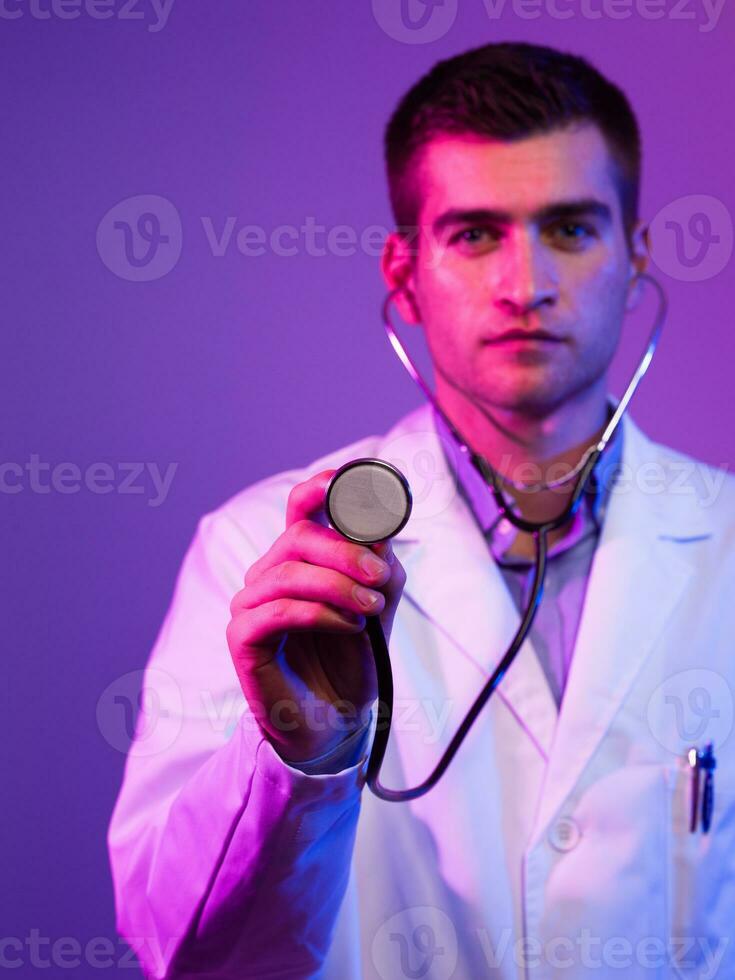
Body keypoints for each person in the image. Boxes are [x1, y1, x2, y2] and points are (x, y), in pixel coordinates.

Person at [107, 41, 735, 979]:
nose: (525, 285)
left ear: (636, 255)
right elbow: (181, 953)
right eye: (475, 233)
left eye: (569, 228)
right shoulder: (256, 552)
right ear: (402, 273)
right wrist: (297, 761)